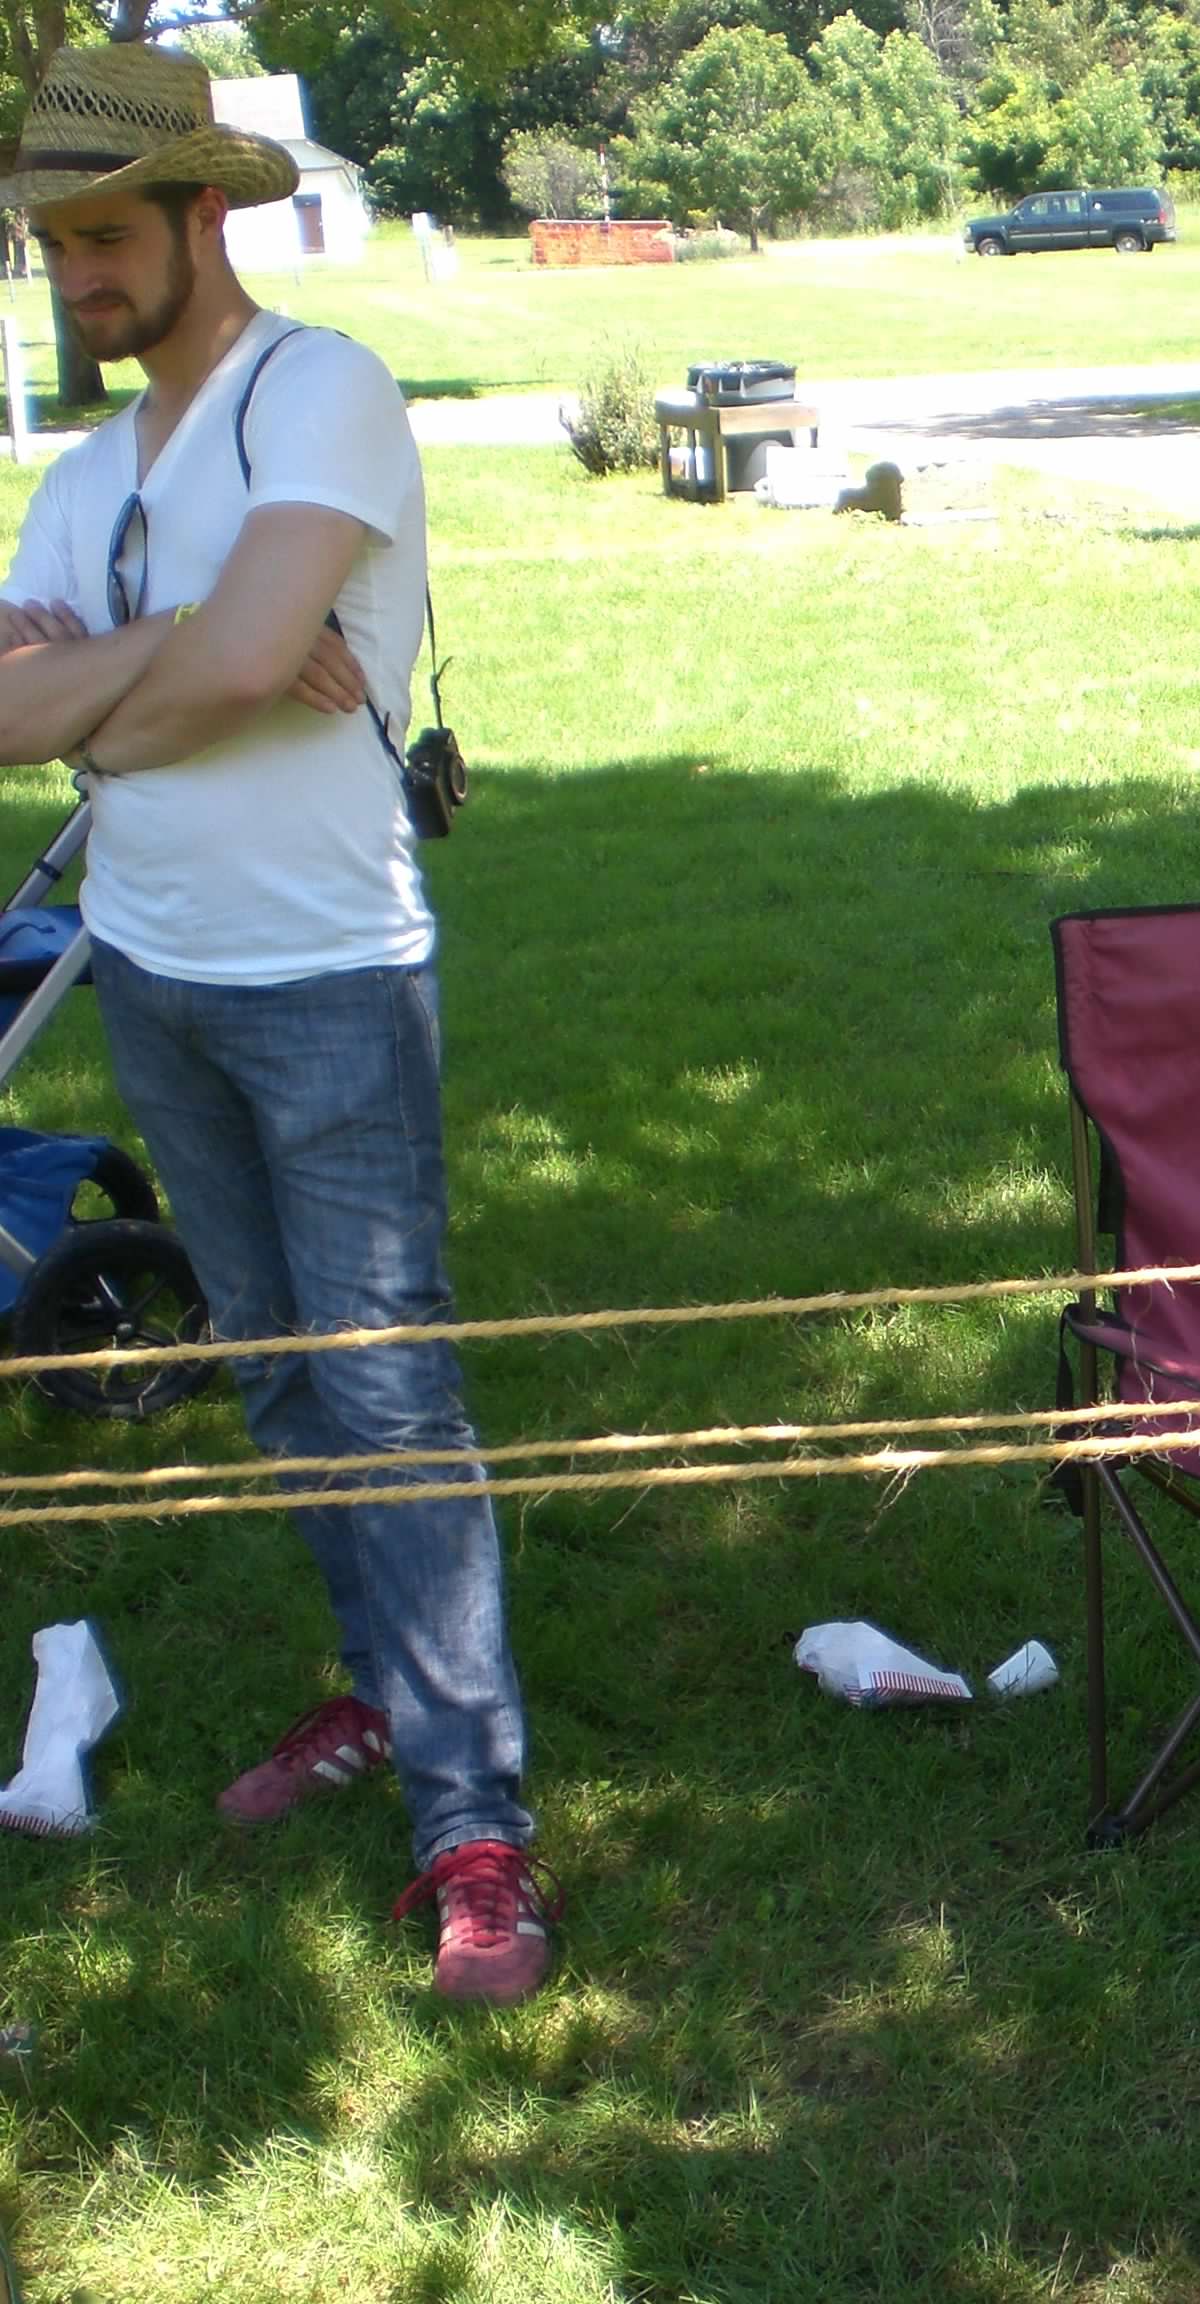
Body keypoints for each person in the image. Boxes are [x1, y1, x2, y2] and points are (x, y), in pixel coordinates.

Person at [0, 44, 557, 1999]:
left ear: (199, 213)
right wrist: (193, 642)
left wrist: (121, 674)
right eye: (52, 243)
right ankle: (390, 1691)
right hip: (153, 975)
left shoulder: (318, 390)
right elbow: (71, 701)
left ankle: (475, 1830)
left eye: (107, 234)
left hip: (327, 976)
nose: (80, 273)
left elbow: (231, 671)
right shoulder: (84, 475)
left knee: (389, 1394)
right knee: (283, 1385)